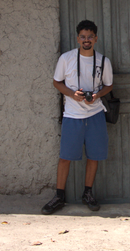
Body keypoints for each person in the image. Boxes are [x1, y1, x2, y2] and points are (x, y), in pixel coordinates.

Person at [42, 20, 113, 215]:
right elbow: (57, 82)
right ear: (77, 38)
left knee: (94, 156)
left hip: (95, 114)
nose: (86, 40)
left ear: (96, 39)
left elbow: (109, 85)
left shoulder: (103, 61)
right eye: (83, 36)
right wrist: (73, 94)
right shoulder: (66, 59)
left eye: (90, 37)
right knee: (65, 157)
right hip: (72, 115)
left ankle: (87, 193)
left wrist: (97, 96)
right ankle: (59, 196)